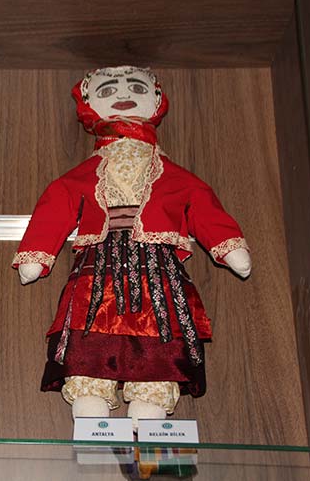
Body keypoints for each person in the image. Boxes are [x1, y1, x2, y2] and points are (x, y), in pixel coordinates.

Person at [13, 66, 251, 428]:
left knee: (159, 335)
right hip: (99, 266)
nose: (123, 94)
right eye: (108, 90)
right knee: (90, 333)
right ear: (88, 102)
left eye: (136, 87)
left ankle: (149, 413)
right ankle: (92, 406)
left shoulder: (174, 175)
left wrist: (226, 244)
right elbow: (57, 204)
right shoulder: (82, 174)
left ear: (155, 99)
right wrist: (38, 253)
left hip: (156, 267)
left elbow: (201, 202)